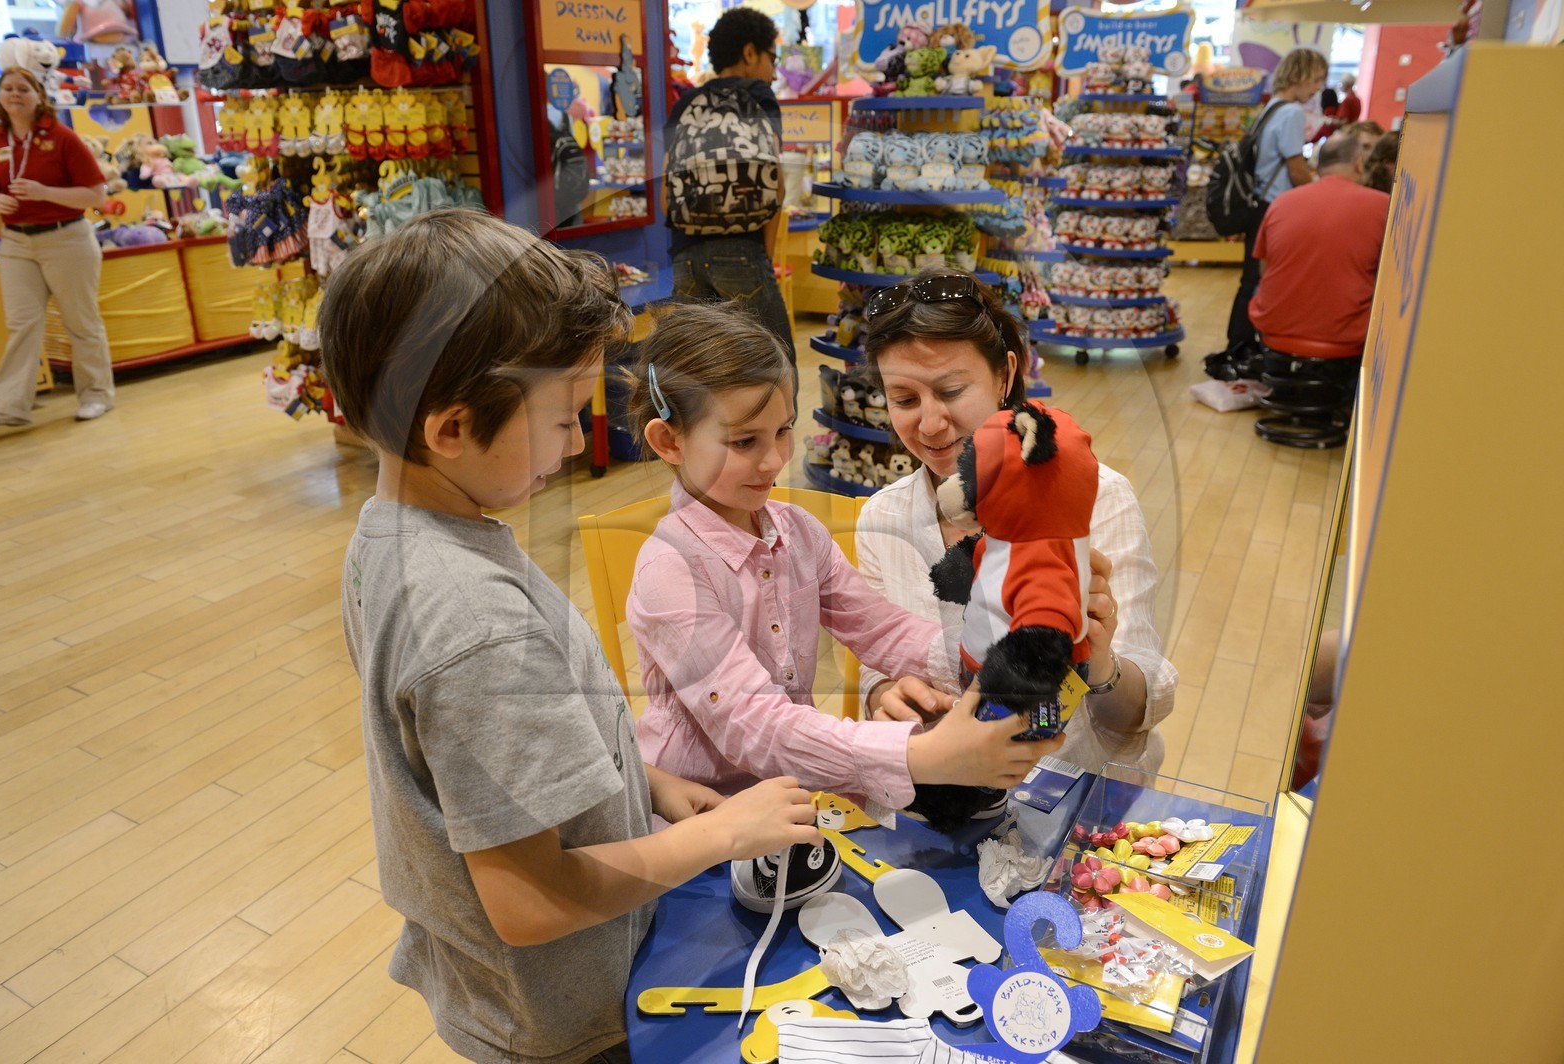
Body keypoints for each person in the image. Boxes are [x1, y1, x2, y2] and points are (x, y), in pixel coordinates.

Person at [320, 210, 822, 1064]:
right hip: (564, 1014)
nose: (580, 439)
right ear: (449, 428)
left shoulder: (395, 533)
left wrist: (646, 781)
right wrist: (718, 836)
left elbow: (477, 765)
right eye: (561, 420)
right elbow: (530, 902)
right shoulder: (474, 623)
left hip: (522, 980)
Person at [623, 302, 1061, 821]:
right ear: (667, 441)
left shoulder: (799, 534)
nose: (774, 460)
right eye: (744, 442)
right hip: (698, 816)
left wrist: (1000, 659)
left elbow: (883, 630)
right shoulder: (669, 572)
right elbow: (754, 724)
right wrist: (920, 755)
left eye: (783, 431)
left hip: (790, 796)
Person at [856, 268, 1178, 775]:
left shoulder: (1097, 500)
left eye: (952, 391)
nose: (931, 424)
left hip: (1069, 796)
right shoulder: (885, 517)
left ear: (1006, 375)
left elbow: (1136, 713)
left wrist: (1099, 657)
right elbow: (875, 670)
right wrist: (883, 698)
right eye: (905, 400)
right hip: (939, 793)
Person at [0, 68, 113, 427]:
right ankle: (10, 405)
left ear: (38, 96)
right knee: (21, 323)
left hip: (66, 239)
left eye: (23, 89)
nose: (14, 94)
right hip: (16, 241)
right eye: (7, 88)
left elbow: (96, 194)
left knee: (80, 321)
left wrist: (45, 193)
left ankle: (96, 395)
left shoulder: (62, 138)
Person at [663, 7, 794, 353]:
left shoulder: (686, 102)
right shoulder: (758, 96)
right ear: (750, 53)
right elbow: (774, 184)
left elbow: (666, 188)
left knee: (699, 371)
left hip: (685, 254)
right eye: (771, 58)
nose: (773, 71)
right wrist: (761, 257)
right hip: (742, 249)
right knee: (775, 365)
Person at [1214, 47, 1330, 368]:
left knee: (1250, 278)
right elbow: (1295, 168)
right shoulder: (1291, 112)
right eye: (1316, 79)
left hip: (1258, 205)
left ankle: (1238, 343)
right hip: (1275, 208)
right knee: (1261, 280)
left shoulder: (1271, 108)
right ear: (1300, 75)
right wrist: (1324, 191)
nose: (1318, 88)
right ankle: (1246, 346)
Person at [1250, 133, 1390, 349]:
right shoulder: (1383, 205)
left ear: (1319, 165)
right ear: (1359, 164)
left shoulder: (1281, 202)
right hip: (1346, 339)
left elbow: (1264, 269)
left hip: (1273, 331)